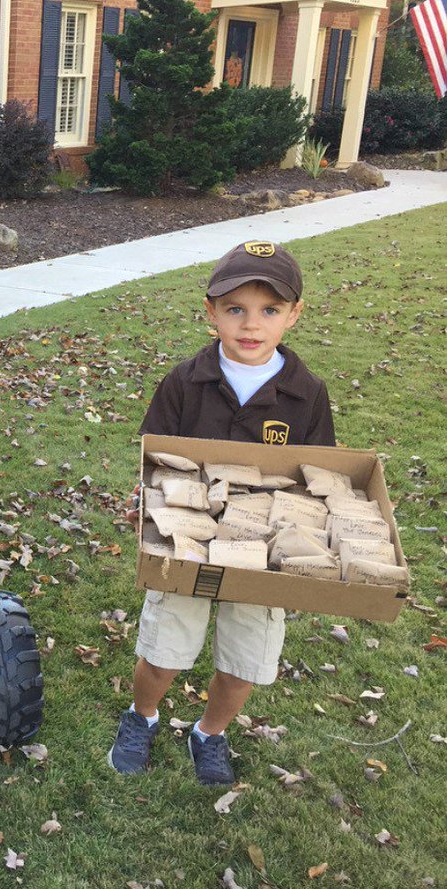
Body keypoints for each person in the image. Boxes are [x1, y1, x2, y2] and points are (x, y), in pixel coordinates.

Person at [109, 240, 335, 786]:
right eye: (235, 308)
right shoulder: (184, 383)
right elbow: (154, 460)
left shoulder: (305, 394)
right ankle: (141, 717)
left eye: (269, 310)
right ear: (211, 313)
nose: (251, 324)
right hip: (187, 543)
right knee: (164, 651)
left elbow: (318, 478)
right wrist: (146, 504)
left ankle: (209, 732)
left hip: (262, 551)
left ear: (294, 315)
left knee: (243, 660)